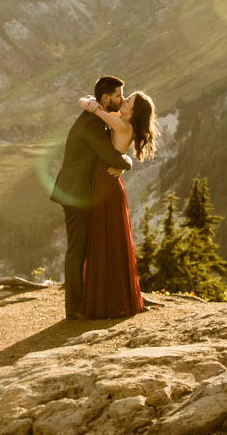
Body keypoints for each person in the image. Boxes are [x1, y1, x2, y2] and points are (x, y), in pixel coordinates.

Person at [48, 74, 132, 319]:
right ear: (106, 98)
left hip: (80, 191)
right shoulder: (92, 124)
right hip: (75, 193)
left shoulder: (96, 118)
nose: (122, 99)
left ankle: (83, 302)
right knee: (77, 250)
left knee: (81, 248)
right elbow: (109, 156)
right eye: (118, 95)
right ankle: (73, 309)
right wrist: (128, 162)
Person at [75, 83, 157, 320]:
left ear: (134, 110)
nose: (123, 101)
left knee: (104, 238)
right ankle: (111, 298)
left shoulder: (121, 124)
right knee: (107, 238)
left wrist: (88, 103)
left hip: (105, 183)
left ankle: (106, 302)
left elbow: (96, 110)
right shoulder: (121, 120)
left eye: (128, 100)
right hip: (105, 181)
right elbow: (93, 105)